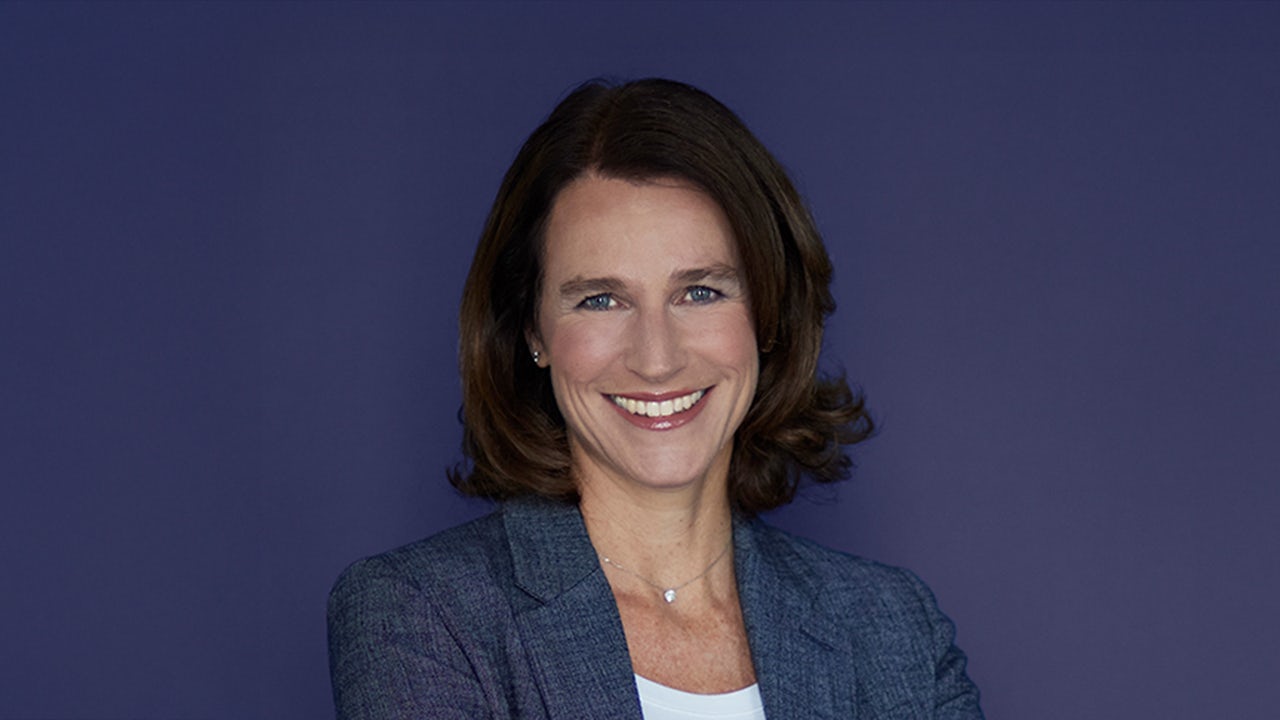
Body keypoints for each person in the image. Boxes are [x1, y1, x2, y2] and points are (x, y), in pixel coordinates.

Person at [327, 77, 984, 719]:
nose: (657, 358)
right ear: (533, 331)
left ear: (768, 312)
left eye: (699, 292)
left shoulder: (893, 627)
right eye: (601, 299)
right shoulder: (422, 615)